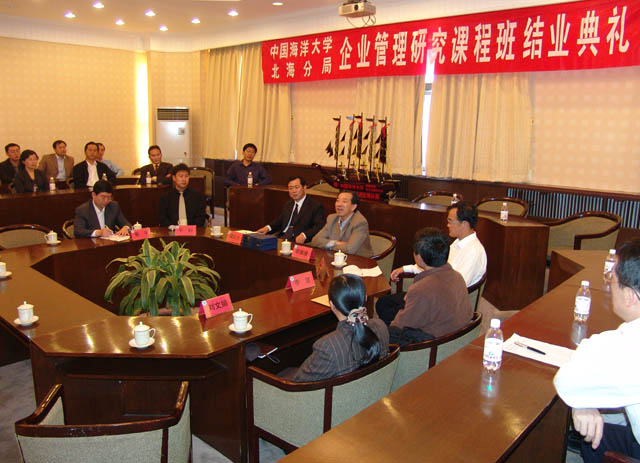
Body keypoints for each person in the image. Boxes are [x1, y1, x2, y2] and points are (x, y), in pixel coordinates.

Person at [554, 239, 640, 462]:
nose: (609, 286)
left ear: (630, 297)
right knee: (599, 436)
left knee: (593, 438)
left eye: (613, 281)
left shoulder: (630, 346)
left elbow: (566, 379)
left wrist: (582, 402)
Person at [376, 227, 472, 343]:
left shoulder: (421, 289)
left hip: (431, 340)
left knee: (376, 330)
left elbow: (400, 326)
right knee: (384, 303)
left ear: (419, 257)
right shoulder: (457, 276)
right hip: (453, 331)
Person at [291, 274, 389, 382]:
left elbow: (298, 383)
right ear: (365, 298)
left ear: (332, 305)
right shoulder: (381, 326)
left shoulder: (327, 347)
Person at [388, 200, 487, 287]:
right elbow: (434, 266)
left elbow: (457, 285)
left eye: (450, 221)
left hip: (446, 297)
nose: (447, 225)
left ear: (464, 224)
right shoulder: (458, 243)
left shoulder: (474, 252)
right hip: (437, 287)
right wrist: (405, 269)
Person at [255, 176, 324, 244]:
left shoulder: (315, 206)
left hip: (298, 240)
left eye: (296, 187)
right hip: (282, 237)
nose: (294, 191)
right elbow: (280, 221)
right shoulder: (288, 204)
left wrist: (305, 235)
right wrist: (267, 228)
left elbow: (319, 226)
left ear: (305, 188)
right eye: (290, 188)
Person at [310, 191, 373, 257]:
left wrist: (328, 246)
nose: (339, 204)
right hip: (336, 258)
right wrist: (336, 243)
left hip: (359, 260)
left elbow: (350, 249)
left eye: (344, 201)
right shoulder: (332, 218)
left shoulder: (360, 222)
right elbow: (315, 241)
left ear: (353, 207)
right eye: (338, 201)